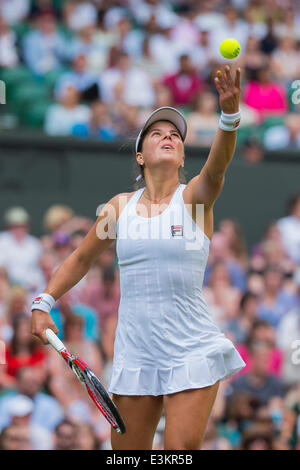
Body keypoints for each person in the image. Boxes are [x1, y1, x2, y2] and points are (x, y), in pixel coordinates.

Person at [31, 64, 245, 450]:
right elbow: (81, 259)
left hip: (191, 348)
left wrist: (228, 116)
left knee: (179, 453)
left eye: (175, 136)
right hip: (135, 352)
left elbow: (218, 166)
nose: (168, 137)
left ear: (182, 157)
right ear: (140, 156)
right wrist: (43, 303)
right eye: (157, 134)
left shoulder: (195, 198)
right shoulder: (118, 208)